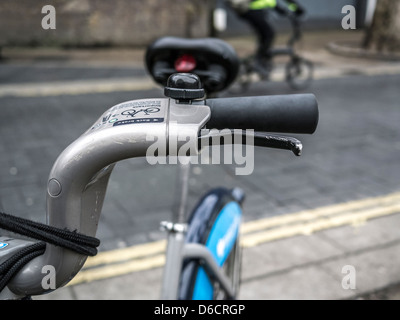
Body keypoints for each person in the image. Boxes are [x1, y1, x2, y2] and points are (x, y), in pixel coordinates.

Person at [226, 0, 304, 77]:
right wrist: (290, 9)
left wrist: (283, 8)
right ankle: (259, 61)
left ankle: (262, 59)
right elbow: (270, 2)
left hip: (250, 9)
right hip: (252, 9)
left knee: (264, 35)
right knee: (269, 34)